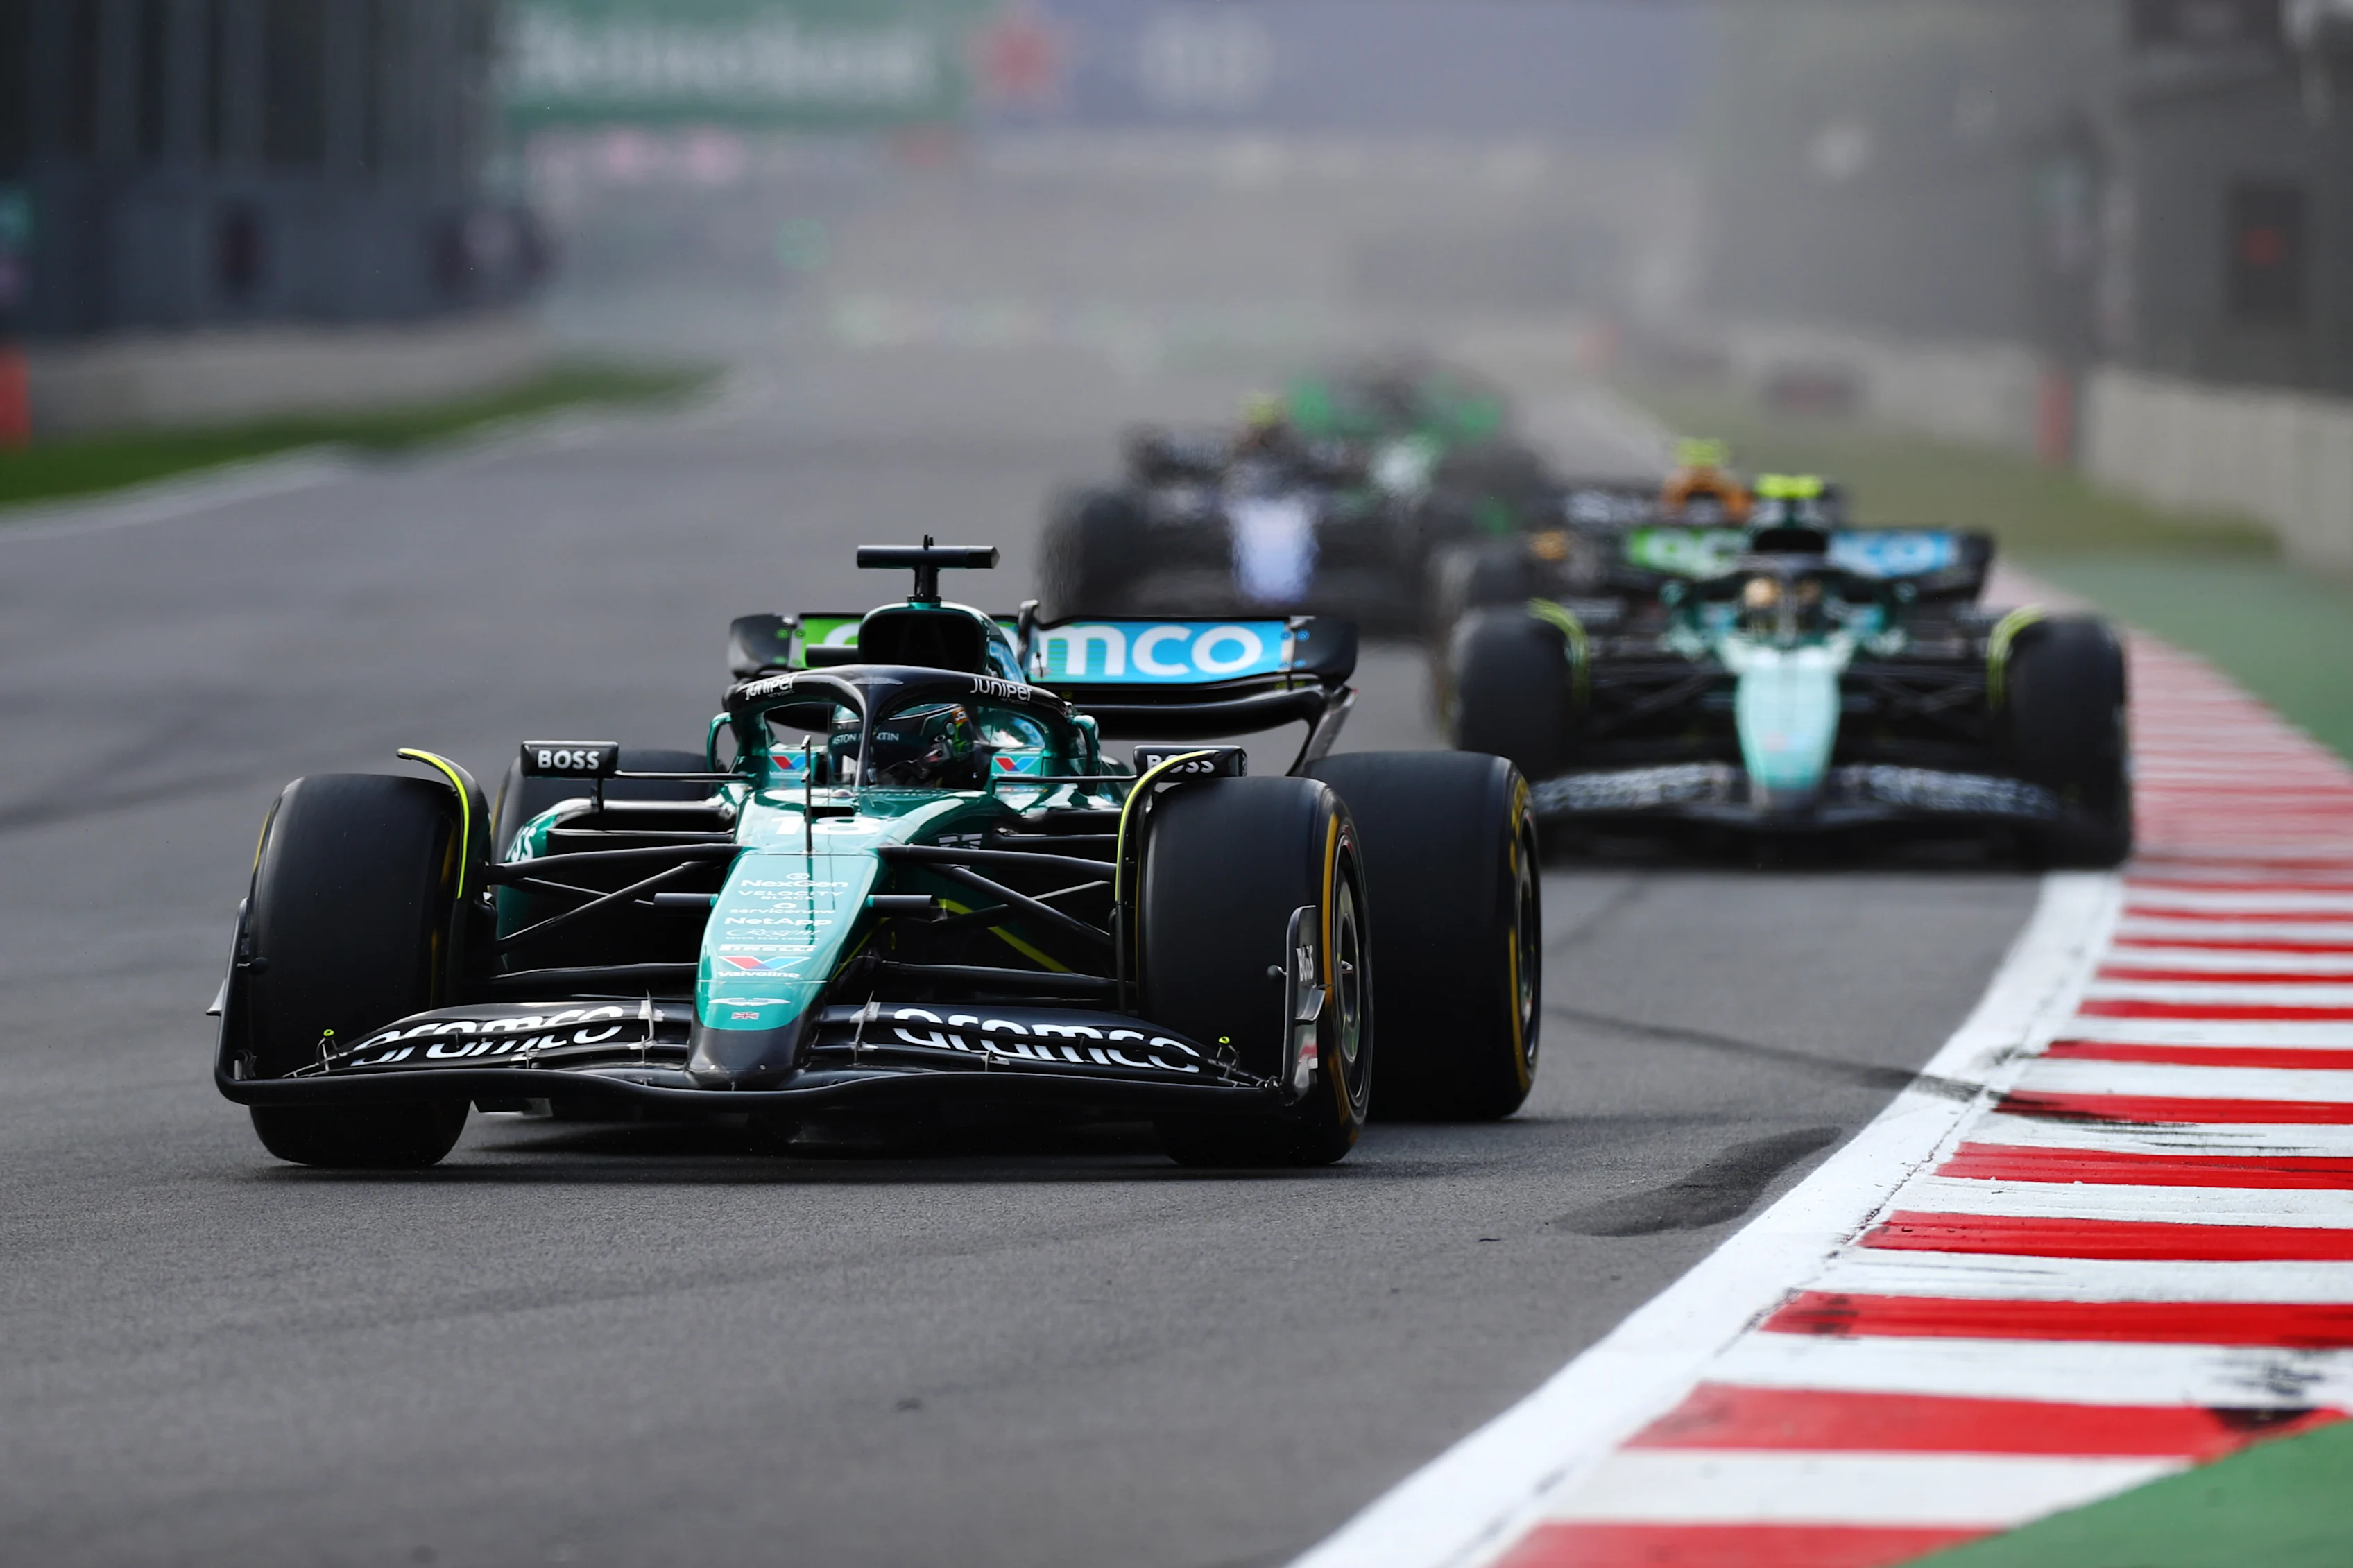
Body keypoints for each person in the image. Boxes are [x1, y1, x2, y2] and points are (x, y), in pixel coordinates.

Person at [1659, 437, 1751, 524]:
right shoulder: (1676, 485)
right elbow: (1668, 512)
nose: (1702, 475)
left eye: (1708, 472)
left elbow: (1740, 513)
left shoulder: (1730, 487)